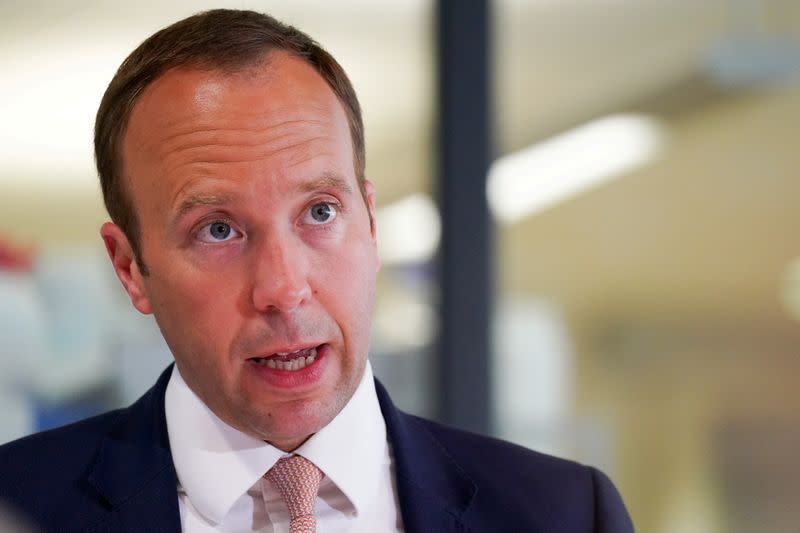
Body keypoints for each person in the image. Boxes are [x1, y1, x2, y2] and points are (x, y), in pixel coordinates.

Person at [0, 9, 633, 532]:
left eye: (320, 211)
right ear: (130, 268)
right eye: (217, 229)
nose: (283, 288)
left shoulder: (565, 515)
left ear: (371, 224)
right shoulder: (19, 506)